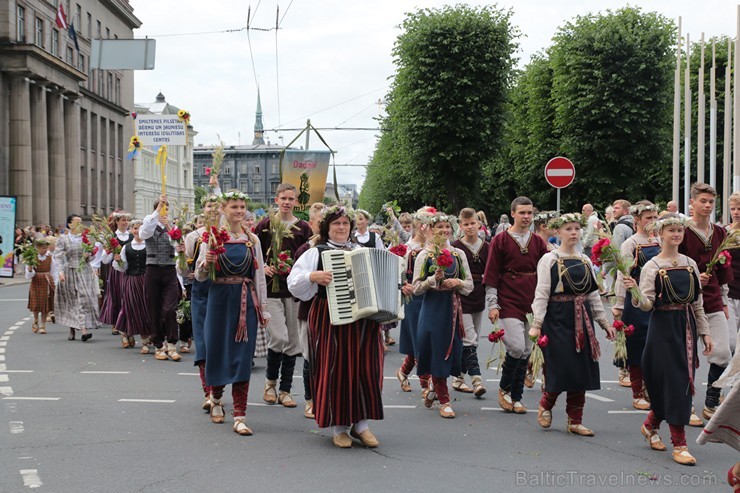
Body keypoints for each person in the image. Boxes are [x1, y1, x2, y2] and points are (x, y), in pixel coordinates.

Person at [288, 205, 385, 448]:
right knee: (335, 368)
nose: (341, 228)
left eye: (345, 224)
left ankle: (361, 424)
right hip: (329, 316)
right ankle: (339, 427)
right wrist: (313, 276)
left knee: (365, 368)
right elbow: (293, 281)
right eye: (336, 224)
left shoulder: (363, 250)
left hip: (364, 320)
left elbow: (383, 278)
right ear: (327, 228)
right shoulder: (316, 252)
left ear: (351, 227)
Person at [626, 213, 713, 465]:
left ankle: (651, 424)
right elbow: (646, 305)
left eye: (679, 231)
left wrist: (705, 332)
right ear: (660, 234)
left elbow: (697, 303)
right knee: (674, 384)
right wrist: (634, 292)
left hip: (686, 327)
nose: (676, 235)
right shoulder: (652, 266)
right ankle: (680, 444)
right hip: (662, 329)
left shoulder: (690, 263)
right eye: (671, 231)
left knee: (683, 382)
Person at [531, 213, 615, 436]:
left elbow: (593, 294)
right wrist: (537, 323)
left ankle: (575, 420)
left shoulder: (585, 260)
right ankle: (546, 404)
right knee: (560, 366)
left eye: (577, 229)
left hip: (583, 319)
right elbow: (541, 293)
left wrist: (605, 323)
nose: (574, 233)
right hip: (557, 319)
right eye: (568, 229)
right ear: (558, 232)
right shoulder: (549, 260)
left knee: (581, 369)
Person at [195, 190, 269, 436]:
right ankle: (216, 398)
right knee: (217, 352)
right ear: (224, 209)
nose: (239, 211)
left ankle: (240, 415)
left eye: (242, 207)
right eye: (234, 207)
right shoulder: (213, 237)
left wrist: (263, 309)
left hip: (244, 302)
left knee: (241, 356)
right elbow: (200, 275)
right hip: (219, 301)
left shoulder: (252, 239)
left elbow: (258, 277)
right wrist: (206, 262)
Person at [484, 197, 550, 413]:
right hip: (508, 298)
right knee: (516, 346)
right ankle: (504, 389)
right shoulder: (500, 240)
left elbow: (548, 272)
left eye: (530, 213)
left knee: (527, 350)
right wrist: (493, 304)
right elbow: (492, 273)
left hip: (531, 299)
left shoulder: (539, 242)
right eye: (522, 213)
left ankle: (517, 396)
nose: (526, 217)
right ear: (512, 213)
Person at [680, 183, 733, 425]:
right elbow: (671, 264)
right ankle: (685, 405)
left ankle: (711, 402)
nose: (708, 206)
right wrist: (691, 276)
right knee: (686, 356)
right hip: (686, 302)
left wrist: (723, 301)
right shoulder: (681, 231)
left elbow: (724, 271)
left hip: (712, 300)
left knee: (723, 352)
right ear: (692, 203)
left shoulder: (720, 232)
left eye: (711, 202)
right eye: (703, 201)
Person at [256, 183, 313, 408]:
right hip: (271, 289)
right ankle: (270, 383)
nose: (287, 202)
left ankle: (285, 389)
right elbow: (255, 253)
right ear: (276, 200)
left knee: (293, 341)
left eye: (291, 199)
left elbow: (309, 257)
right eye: (284, 198)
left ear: (296, 202)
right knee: (278, 337)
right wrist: (263, 267)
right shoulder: (265, 225)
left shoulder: (303, 227)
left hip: (294, 291)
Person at [413, 212, 473, 419]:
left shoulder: (458, 254)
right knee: (438, 351)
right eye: (439, 227)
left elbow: (470, 285)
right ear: (430, 229)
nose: (444, 231)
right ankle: (445, 401)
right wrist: (432, 280)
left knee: (452, 351)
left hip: (452, 308)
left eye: (447, 227)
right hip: (432, 309)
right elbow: (416, 288)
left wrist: (458, 283)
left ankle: (433, 389)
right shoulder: (424, 255)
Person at [612, 201, 661, 411]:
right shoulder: (630, 243)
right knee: (637, 345)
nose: (652, 222)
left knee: (656, 345)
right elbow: (623, 274)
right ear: (637, 220)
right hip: (636, 298)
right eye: (648, 218)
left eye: (654, 217)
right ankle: (637, 392)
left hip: (657, 299)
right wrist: (619, 303)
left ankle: (652, 388)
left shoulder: (661, 240)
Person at [182, 193, 223, 411]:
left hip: (225, 291)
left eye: (217, 206)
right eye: (209, 206)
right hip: (202, 293)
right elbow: (185, 268)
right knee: (204, 344)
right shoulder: (194, 237)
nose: (213, 210)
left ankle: (219, 389)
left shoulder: (229, 233)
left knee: (221, 343)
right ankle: (208, 391)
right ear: (203, 209)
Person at [139, 195, 185, 362]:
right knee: (154, 308)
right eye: (162, 209)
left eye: (166, 209)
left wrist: (178, 243)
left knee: (170, 308)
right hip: (152, 269)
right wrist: (157, 211)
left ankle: (172, 344)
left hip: (169, 270)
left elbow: (177, 246)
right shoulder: (149, 223)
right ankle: (159, 345)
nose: (165, 212)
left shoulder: (173, 227)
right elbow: (145, 232)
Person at [396, 207, 436, 395]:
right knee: (420, 341)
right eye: (430, 225)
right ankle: (425, 386)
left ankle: (403, 372)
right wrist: (402, 283)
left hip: (433, 296)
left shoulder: (436, 246)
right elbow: (395, 271)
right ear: (421, 226)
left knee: (423, 341)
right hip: (413, 298)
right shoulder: (406, 247)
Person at [292, 202, 326, 419]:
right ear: (312, 224)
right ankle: (310, 399)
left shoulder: (344, 247)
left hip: (335, 313)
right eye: (320, 222)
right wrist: (311, 278)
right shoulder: (306, 250)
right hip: (310, 309)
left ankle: (325, 397)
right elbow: (295, 284)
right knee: (310, 356)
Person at [451, 208, 488, 397]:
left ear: (479, 224)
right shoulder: (456, 247)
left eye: (473, 223)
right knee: (469, 338)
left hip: (479, 296)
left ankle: (458, 378)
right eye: (466, 224)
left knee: (472, 339)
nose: (470, 227)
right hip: (462, 296)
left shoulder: (487, 246)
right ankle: (476, 379)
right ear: (460, 226)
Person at [55, 214, 101, 342]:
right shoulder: (63, 239)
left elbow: (92, 257)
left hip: (84, 271)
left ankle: (83, 329)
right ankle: (75, 329)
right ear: (69, 224)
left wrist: (89, 255)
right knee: (72, 300)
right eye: (77, 222)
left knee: (84, 299)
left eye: (81, 222)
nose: (80, 225)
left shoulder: (87, 238)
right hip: (69, 271)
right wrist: (60, 272)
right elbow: (58, 257)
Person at [112, 220, 151, 350]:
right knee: (131, 307)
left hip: (146, 280)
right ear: (131, 230)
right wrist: (118, 261)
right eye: (135, 228)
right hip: (132, 280)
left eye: (140, 228)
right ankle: (128, 334)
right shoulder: (126, 247)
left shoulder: (149, 245)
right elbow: (123, 267)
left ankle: (146, 336)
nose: (137, 230)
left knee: (146, 308)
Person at [99, 211, 134, 344]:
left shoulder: (132, 236)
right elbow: (104, 259)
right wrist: (113, 255)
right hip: (117, 272)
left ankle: (127, 328)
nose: (125, 222)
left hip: (130, 271)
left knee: (128, 299)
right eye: (122, 220)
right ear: (117, 222)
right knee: (117, 297)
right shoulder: (111, 237)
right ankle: (118, 325)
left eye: (127, 220)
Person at [24, 238, 58, 334]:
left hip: (47, 281)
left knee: (45, 305)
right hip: (36, 282)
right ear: (38, 248)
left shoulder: (50, 258)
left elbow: (54, 271)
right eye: (43, 248)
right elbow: (28, 275)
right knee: (36, 304)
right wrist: (30, 270)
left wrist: (55, 283)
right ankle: (35, 321)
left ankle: (43, 325)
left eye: (46, 248)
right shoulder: (31, 258)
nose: (45, 250)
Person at [725, 192, 740, 356]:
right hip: (729, 290)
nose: (736, 212)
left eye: (739, 208)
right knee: (730, 341)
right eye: (733, 209)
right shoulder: (725, 232)